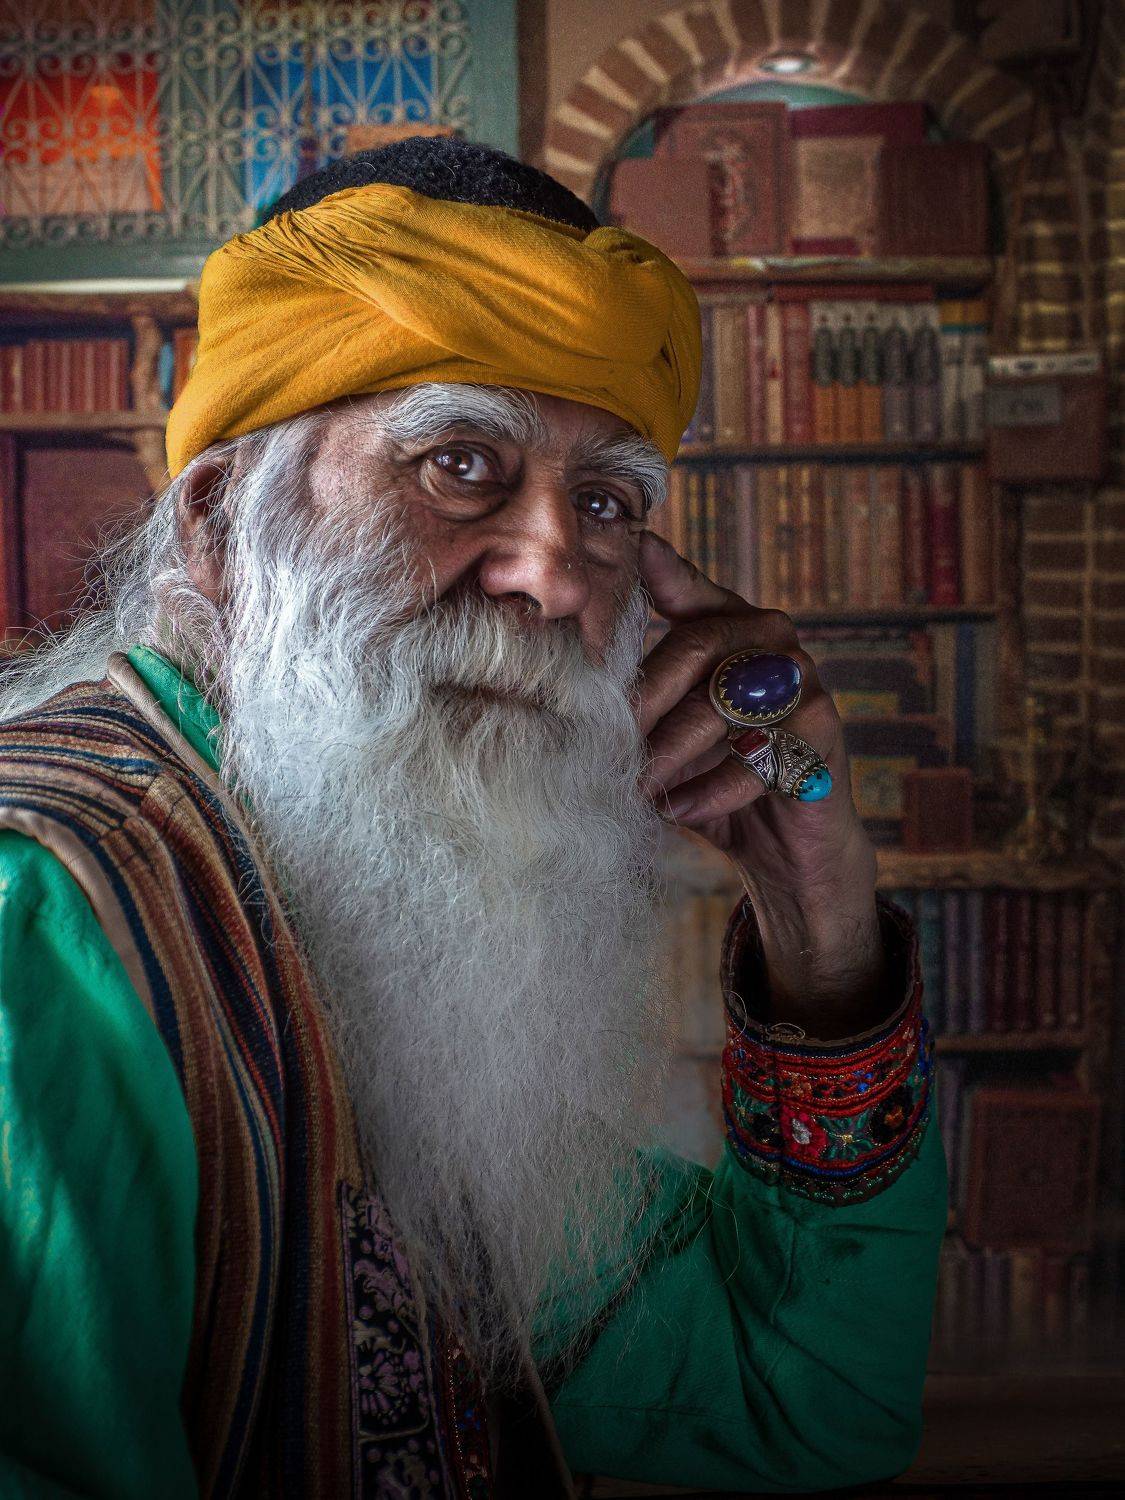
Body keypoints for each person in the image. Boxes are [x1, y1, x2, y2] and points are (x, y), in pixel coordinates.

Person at [0, 136, 946, 1499]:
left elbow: (797, 1402)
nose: (553, 573)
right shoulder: (45, 917)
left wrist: (818, 908)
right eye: (458, 463)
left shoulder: (351, 901)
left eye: (608, 501)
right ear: (221, 522)